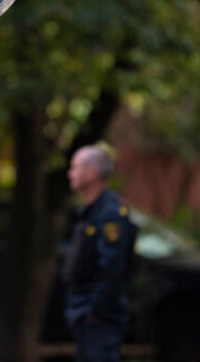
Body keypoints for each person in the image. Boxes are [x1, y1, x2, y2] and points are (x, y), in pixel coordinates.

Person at [60, 144, 140, 362]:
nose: (70, 173)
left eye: (75, 167)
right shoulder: (92, 211)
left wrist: (94, 312)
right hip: (86, 315)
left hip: (98, 318)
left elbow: (111, 269)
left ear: (92, 173)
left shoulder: (109, 214)